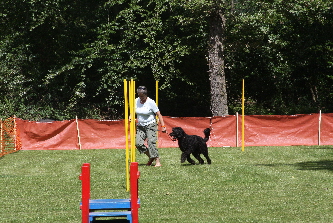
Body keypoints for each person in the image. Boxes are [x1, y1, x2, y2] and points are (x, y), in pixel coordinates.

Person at [134, 86, 166, 167]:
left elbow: (159, 114)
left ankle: (157, 161)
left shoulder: (151, 102)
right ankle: (151, 157)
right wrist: (131, 116)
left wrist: (163, 126)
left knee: (151, 142)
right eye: (139, 95)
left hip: (150, 124)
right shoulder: (136, 101)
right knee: (138, 144)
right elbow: (133, 110)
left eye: (142, 96)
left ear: (146, 95)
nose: (141, 98)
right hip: (140, 125)